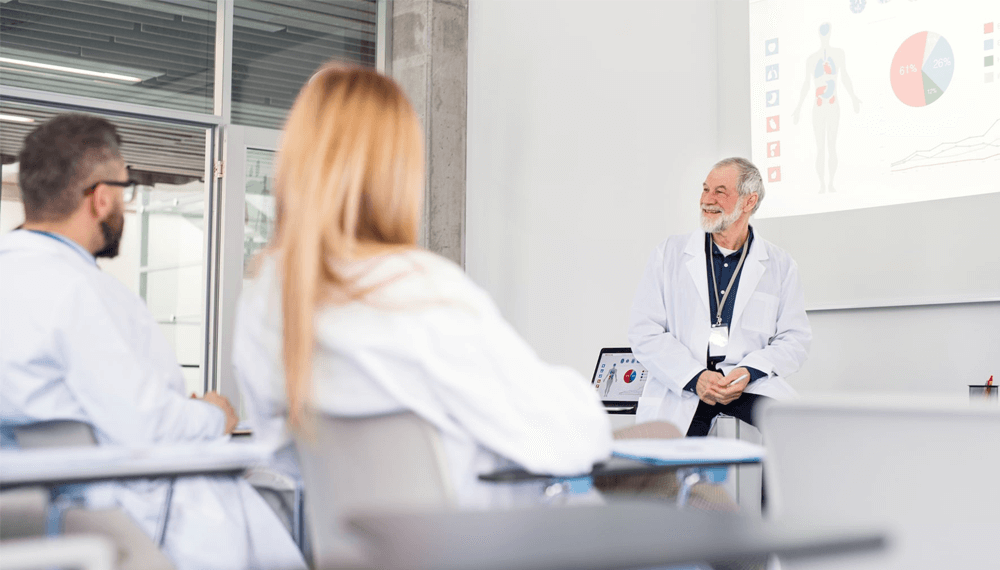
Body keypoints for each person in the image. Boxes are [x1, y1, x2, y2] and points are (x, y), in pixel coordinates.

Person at [233, 64, 612, 509]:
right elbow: (568, 438)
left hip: (348, 540)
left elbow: (282, 458)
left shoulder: (266, 297)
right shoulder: (417, 287)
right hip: (485, 535)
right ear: (396, 171)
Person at [0, 114, 305, 570]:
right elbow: (149, 425)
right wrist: (214, 416)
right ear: (101, 198)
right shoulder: (80, 292)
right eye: (126, 190)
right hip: (114, 511)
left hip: (33, 507)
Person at [628, 158, 811, 436]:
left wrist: (750, 370)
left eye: (719, 192)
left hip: (746, 383)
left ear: (749, 202)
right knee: (671, 457)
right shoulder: (669, 254)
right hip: (686, 382)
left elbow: (795, 339)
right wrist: (695, 376)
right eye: (705, 189)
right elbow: (644, 331)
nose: (707, 200)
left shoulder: (780, 265)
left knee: (797, 431)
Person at [792, 22, 862, 194]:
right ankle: (822, 184)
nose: (824, 34)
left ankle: (831, 183)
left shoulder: (838, 54)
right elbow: (806, 84)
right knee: (820, 148)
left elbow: (844, 76)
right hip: (818, 107)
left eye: (826, 31)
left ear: (830, 33)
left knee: (831, 146)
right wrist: (799, 107)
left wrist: (853, 97)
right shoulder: (811, 59)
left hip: (832, 105)